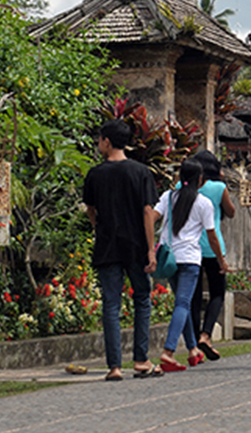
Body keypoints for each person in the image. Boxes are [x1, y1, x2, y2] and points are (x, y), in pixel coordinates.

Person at [83, 120, 160, 380]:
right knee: (142, 300)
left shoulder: (95, 173)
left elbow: (91, 209)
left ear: (106, 141)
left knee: (111, 305)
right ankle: (140, 359)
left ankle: (114, 367)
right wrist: (151, 250)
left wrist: (99, 226)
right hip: (136, 245)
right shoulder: (141, 172)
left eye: (100, 140)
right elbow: (147, 212)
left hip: (107, 246)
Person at [154, 160, 227, 372]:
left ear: (179, 178)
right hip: (190, 259)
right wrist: (221, 260)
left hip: (169, 258)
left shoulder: (168, 197)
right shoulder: (204, 203)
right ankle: (168, 352)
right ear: (201, 180)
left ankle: (193, 349)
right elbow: (212, 236)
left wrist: (151, 245)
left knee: (181, 303)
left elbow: (152, 215)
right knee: (182, 304)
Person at [188, 150, 235, 359]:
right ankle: (206, 335)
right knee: (217, 293)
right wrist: (223, 184)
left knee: (194, 296)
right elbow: (231, 211)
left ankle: (194, 340)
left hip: (190, 247)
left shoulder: (183, 186)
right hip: (213, 248)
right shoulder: (218, 188)